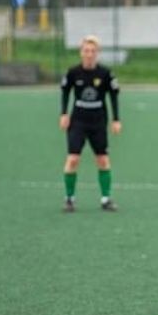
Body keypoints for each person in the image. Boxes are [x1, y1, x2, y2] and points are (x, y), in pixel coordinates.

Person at [59, 35, 121, 212]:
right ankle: (69, 199)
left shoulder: (105, 74)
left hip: (98, 121)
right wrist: (63, 113)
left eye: (93, 51)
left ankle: (106, 199)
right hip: (78, 121)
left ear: (97, 53)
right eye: (86, 51)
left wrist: (116, 119)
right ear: (81, 52)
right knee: (72, 159)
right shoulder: (73, 72)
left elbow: (113, 96)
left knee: (102, 160)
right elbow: (65, 92)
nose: (89, 54)